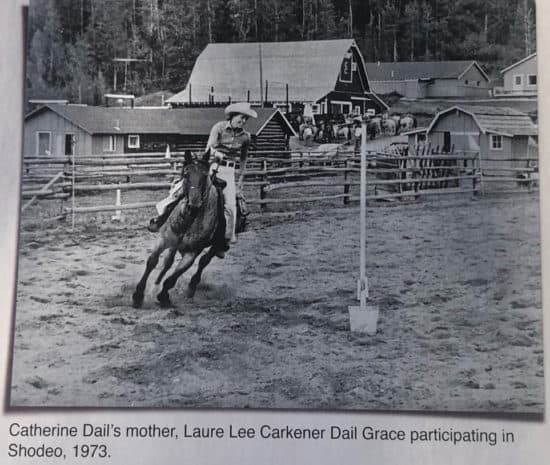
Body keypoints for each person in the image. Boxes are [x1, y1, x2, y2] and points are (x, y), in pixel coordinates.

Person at [148, 102, 257, 258]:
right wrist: (217, 154)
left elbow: (244, 157)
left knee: (231, 206)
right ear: (233, 116)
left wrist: (241, 177)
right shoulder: (219, 127)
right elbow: (210, 147)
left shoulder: (245, 137)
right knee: (181, 191)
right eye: (242, 117)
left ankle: (223, 241)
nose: (243, 121)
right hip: (212, 166)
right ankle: (161, 219)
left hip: (229, 171)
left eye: (246, 119)